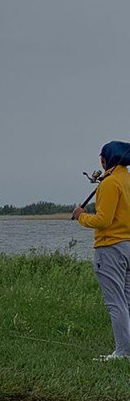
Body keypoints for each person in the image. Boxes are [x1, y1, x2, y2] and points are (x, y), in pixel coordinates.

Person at [72, 140, 130, 362]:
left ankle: (123, 352)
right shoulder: (127, 179)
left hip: (110, 247)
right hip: (128, 244)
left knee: (116, 302)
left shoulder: (109, 183)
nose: (100, 160)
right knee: (127, 301)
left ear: (108, 158)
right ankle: (126, 348)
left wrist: (80, 215)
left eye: (102, 156)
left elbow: (103, 220)